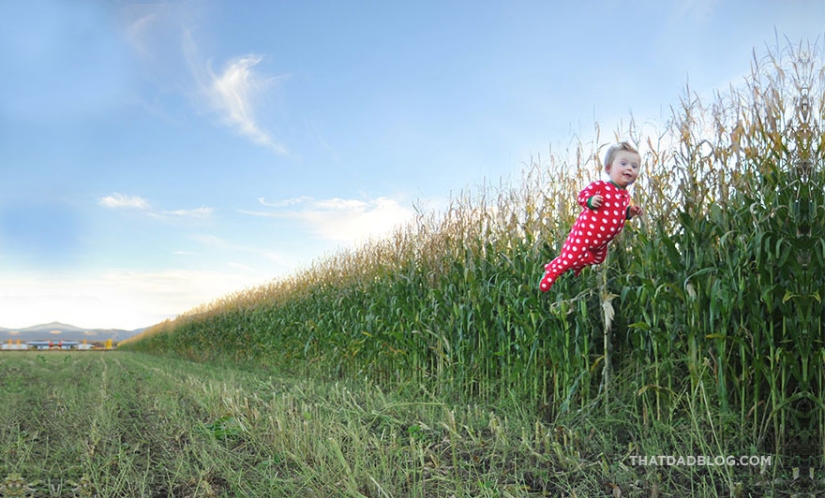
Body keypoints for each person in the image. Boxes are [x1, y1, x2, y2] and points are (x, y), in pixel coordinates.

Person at [539, 142, 644, 292]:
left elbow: (618, 214)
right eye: (624, 163)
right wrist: (590, 201)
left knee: (598, 259)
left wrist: (630, 212)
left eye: (634, 166)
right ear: (608, 168)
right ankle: (551, 271)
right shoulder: (601, 186)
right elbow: (582, 196)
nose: (629, 168)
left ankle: (576, 264)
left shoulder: (625, 196)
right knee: (569, 257)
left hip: (601, 242)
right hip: (584, 235)